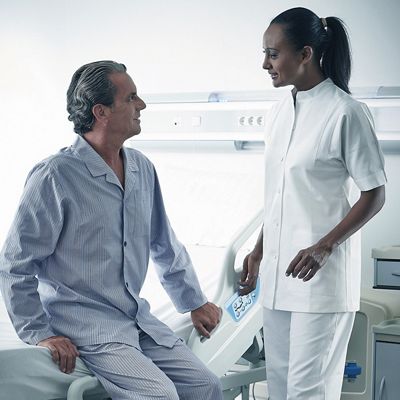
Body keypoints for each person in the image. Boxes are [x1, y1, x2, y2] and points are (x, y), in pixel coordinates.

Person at [0, 60, 223, 400]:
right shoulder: (55, 176)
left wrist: (193, 301)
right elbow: (16, 263)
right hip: (87, 325)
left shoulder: (141, 169)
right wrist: (38, 332)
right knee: (161, 394)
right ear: (101, 111)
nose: (142, 105)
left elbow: (163, 243)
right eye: (132, 98)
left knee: (205, 385)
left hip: (136, 318)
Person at [239, 7, 386, 400]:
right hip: (277, 278)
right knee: (281, 390)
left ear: (306, 54)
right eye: (264, 53)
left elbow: (375, 193)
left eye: (273, 53)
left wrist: (325, 245)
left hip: (320, 283)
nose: (265, 63)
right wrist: (258, 249)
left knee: (308, 393)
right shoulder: (277, 113)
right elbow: (279, 196)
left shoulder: (346, 112)